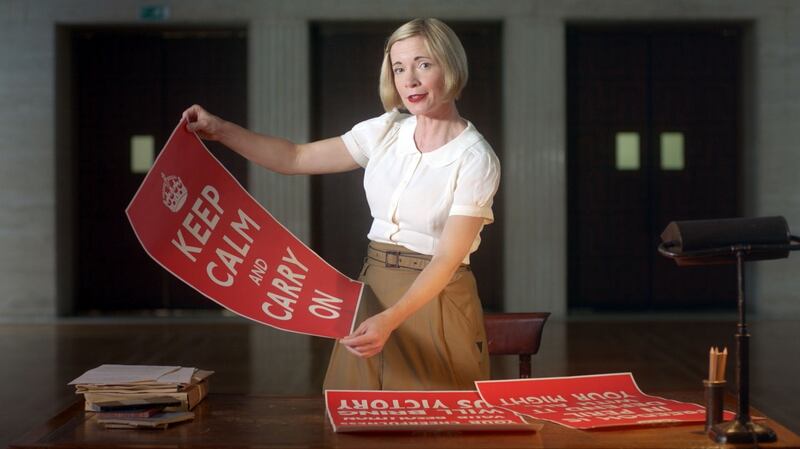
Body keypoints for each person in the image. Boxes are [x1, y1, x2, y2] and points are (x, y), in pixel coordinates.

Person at [182, 18, 500, 391]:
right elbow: (294, 158)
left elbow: (446, 259)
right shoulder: (385, 131)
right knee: (356, 417)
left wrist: (390, 319)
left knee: (434, 426)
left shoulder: (475, 157)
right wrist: (220, 129)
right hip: (374, 286)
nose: (409, 79)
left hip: (436, 297)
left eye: (423, 64)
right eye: (399, 68)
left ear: (450, 66)